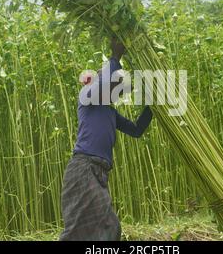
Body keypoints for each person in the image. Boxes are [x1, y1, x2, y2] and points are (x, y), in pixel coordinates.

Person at [59, 38, 153, 241]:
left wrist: (153, 107)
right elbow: (103, 82)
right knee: (84, 230)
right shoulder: (87, 96)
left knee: (104, 230)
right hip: (83, 169)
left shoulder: (110, 112)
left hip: (98, 172)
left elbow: (136, 130)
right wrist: (115, 56)